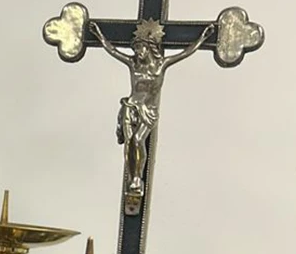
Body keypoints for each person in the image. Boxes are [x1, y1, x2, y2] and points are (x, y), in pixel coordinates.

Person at [90, 19, 214, 198]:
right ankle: (133, 179)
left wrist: (203, 38)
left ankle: (137, 177)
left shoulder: (161, 65)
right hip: (131, 107)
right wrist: (99, 35)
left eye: (140, 48)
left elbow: (185, 52)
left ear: (149, 47)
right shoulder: (133, 64)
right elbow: (113, 51)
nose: (137, 52)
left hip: (148, 111)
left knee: (138, 140)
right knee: (129, 143)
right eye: (135, 49)